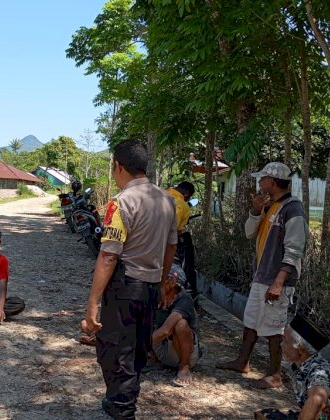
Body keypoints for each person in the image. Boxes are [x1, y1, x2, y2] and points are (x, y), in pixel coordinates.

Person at [80, 139, 178, 420]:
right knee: (137, 349)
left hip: (125, 287)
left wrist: (92, 302)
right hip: (148, 288)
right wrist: (160, 282)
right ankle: (119, 401)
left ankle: (123, 410)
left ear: (118, 166)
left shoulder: (122, 202)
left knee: (114, 349)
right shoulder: (167, 200)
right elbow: (171, 247)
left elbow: (109, 255)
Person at [216, 162, 308, 389]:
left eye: (263, 179)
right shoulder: (271, 206)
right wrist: (256, 211)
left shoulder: (292, 209)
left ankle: (275, 374)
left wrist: (279, 281)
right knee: (252, 320)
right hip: (262, 276)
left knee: (274, 327)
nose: (259, 183)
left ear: (273, 182)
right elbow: (249, 233)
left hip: (276, 280)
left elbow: (295, 249)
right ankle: (242, 361)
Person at [254, 314, 330, 420]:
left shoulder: (320, 372)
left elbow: (316, 400)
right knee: (264, 415)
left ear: (301, 350)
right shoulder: (301, 364)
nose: (281, 344)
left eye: (286, 341)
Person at [150, 264, 200, 387]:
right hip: (162, 350)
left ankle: (184, 366)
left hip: (182, 352)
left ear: (172, 282)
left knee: (180, 325)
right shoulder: (155, 297)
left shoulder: (184, 300)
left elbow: (166, 330)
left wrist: (135, 345)